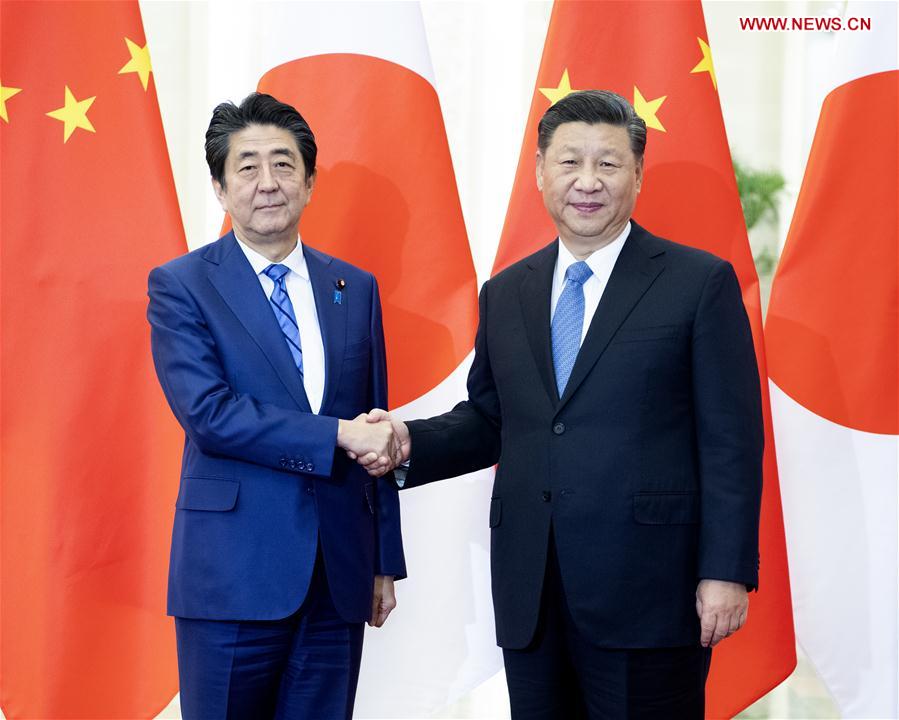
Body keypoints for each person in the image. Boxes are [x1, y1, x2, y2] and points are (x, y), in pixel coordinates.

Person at [360, 90, 763, 718]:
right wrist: (409, 440)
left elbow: (732, 441)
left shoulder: (697, 282)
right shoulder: (508, 291)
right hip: (532, 590)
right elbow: (493, 419)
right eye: (570, 161)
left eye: (609, 163)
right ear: (541, 172)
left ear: (637, 174)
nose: (588, 180)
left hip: (650, 592)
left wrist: (725, 571)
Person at [147, 92, 405, 719]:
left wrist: (383, 561)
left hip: (337, 579)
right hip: (231, 578)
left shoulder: (354, 286)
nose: (268, 183)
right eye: (248, 166)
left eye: (285, 165)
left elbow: (376, 424)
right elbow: (209, 413)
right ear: (219, 185)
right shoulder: (181, 285)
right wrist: (335, 436)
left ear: (310, 182)